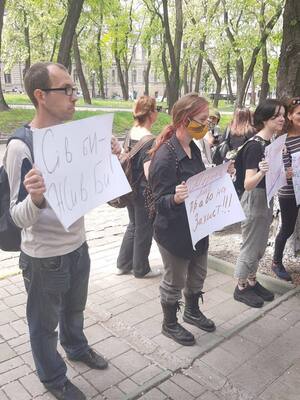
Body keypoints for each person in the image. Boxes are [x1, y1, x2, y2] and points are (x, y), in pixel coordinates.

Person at [3, 62, 121, 400]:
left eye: (74, 89)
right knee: (43, 325)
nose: (74, 97)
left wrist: (113, 159)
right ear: (41, 95)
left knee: (75, 309)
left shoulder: (76, 138)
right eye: (66, 90)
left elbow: (103, 193)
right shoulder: (21, 146)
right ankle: (53, 378)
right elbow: (16, 218)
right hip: (43, 258)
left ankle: (76, 347)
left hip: (79, 246)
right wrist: (37, 199)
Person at [148, 93, 234, 346]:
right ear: (186, 120)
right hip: (173, 233)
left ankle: (192, 311)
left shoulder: (193, 147)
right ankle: (170, 324)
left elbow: (198, 181)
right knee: (175, 281)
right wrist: (174, 198)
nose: (208, 125)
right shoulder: (165, 156)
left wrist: (219, 175)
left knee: (198, 274)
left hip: (198, 226)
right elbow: (158, 202)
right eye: (203, 119)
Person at [233, 99, 287, 308]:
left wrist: (283, 172)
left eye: (283, 114)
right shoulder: (255, 146)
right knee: (250, 244)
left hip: (265, 197)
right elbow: (248, 183)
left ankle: (252, 281)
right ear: (265, 119)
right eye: (277, 116)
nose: (283, 118)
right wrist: (263, 171)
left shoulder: (269, 144)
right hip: (254, 198)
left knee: (259, 244)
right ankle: (241, 287)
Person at [116, 96, 160, 278]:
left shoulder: (130, 132)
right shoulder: (150, 140)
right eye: (156, 109)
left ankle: (123, 264)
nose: (157, 112)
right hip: (143, 191)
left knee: (133, 225)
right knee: (144, 228)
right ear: (150, 114)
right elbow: (150, 173)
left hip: (128, 187)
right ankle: (141, 268)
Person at [272, 98, 300, 281]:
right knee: (287, 228)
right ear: (290, 115)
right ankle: (276, 262)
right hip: (289, 192)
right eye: (299, 113)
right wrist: (286, 172)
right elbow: (276, 170)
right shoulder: (281, 141)